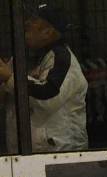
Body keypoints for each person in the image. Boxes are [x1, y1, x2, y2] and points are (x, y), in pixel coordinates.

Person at [0, 2, 88, 152]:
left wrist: (9, 78)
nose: (27, 22)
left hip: (61, 156)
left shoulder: (62, 59)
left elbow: (48, 96)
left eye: (34, 20)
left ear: (48, 32)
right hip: (23, 156)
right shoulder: (22, 57)